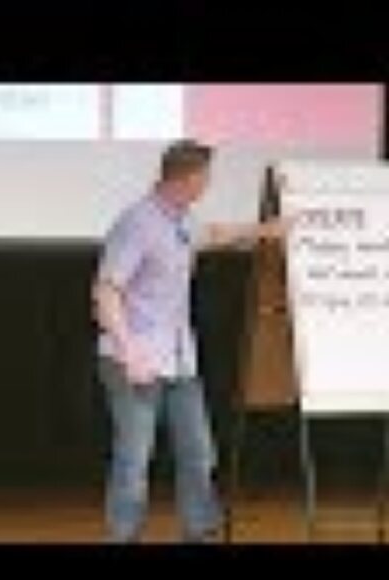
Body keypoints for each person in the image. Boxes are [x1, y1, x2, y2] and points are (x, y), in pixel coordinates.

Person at [92, 139, 293, 543]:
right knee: (135, 458)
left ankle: (199, 529)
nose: (207, 185)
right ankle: (123, 535)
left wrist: (264, 231)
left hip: (179, 360)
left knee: (199, 451)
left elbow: (212, 234)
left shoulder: (182, 219)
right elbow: (105, 291)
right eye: (204, 178)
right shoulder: (138, 223)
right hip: (135, 360)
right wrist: (129, 352)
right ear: (185, 179)